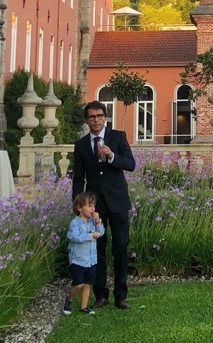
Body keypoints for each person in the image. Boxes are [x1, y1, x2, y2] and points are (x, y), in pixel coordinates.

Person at [72, 101, 135, 309]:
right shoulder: (81, 145)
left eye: (99, 116)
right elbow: (78, 178)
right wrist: (78, 207)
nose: (96, 120)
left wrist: (112, 156)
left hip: (118, 202)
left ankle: (120, 295)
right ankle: (100, 294)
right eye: (91, 117)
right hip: (94, 207)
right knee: (96, 249)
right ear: (86, 120)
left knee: (120, 247)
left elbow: (130, 164)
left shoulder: (118, 137)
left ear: (105, 117)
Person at [63, 191, 105, 316]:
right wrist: (89, 236)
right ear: (80, 208)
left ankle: (84, 307)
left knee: (87, 284)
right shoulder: (75, 223)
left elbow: (101, 232)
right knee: (78, 284)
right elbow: (74, 237)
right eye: (89, 206)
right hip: (78, 259)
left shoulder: (93, 221)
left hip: (91, 259)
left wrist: (98, 223)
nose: (93, 209)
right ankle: (69, 300)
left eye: (94, 206)